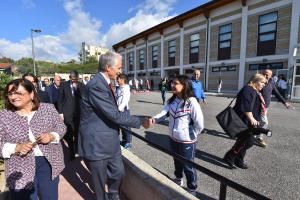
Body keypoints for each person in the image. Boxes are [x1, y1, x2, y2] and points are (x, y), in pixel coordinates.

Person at [78, 51, 151, 200]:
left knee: (118, 172)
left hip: (110, 141)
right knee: (98, 183)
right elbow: (114, 115)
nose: (120, 71)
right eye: (118, 67)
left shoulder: (105, 83)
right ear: (107, 67)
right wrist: (141, 120)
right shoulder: (96, 85)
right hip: (97, 144)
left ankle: (113, 195)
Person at [0, 78, 66, 200]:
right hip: (18, 165)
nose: (13, 97)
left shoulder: (48, 109)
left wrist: (51, 136)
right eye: (10, 93)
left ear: (31, 94)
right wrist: (16, 147)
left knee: (49, 197)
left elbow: (61, 127)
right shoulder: (4, 115)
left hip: (48, 163)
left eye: (18, 93)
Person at [151, 75, 204, 196]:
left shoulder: (192, 102)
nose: (172, 85)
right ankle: (178, 179)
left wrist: (191, 134)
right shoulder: (172, 100)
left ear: (184, 85)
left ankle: (192, 188)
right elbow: (164, 113)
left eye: (176, 83)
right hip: (173, 138)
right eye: (172, 83)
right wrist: (153, 120)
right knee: (177, 161)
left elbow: (199, 124)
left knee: (188, 165)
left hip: (187, 141)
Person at [223, 74, 267, 169]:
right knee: (248, 141)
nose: (264, 85)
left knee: (244, 141)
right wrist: (252, 119)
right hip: (244, 121)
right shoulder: (248, 89)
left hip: (251, 121)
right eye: (262, 82)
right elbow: (245, 107)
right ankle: (230, 157)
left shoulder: (255, 91)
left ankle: (238, 160)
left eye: (265, 83)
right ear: (255, 81)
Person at [257, 69, 291, 147]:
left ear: (271, 76)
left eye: (267, 74)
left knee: (259, 122)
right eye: (264, 73)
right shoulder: (257, 81)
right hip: (257, 106)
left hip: (265, 107)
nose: (265, 75)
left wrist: (284, 102)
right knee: (264, 122)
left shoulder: (271, 83)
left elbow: (277, 93)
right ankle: (259, 138)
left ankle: (253, 134)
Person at [57, 70, 84, 160]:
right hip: (67, 113)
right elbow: (59, 100)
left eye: (76, 79)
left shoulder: (81, 85)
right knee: (69, 134)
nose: (75, 81)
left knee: (77, 133)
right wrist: (60, 113)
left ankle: (77, 150)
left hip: (79, 113)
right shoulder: (63, 85)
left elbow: (84, 99)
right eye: (73, 79)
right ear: (69, 77)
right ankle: (71, 152)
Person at [116, 74, 132, 149]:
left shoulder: (126, 88)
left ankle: (128, 142)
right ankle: (124, 140)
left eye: (118, 79)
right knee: (122, 126)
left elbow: (125, 100)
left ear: (123, 79)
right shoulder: (119, 88)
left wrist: (119, 109)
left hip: (124, 110)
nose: (117, 80)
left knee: (126, 127)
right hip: (119, 110)